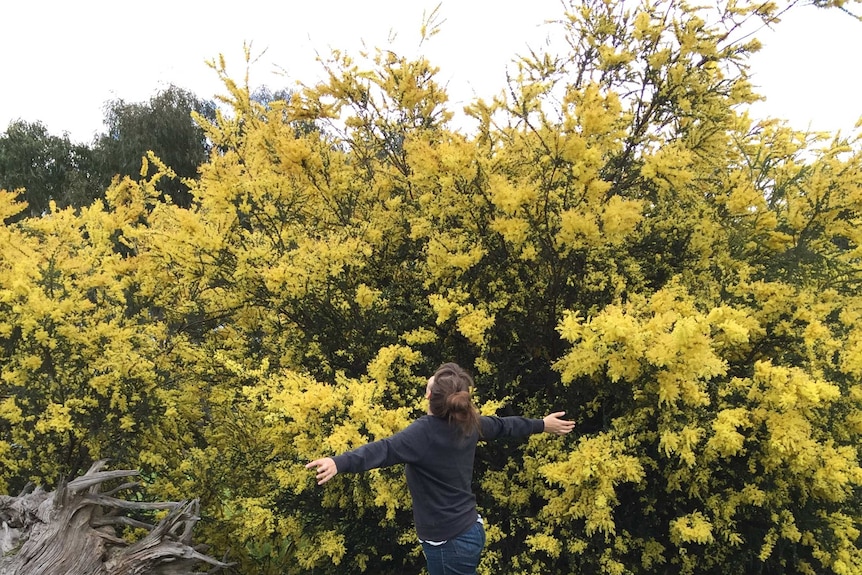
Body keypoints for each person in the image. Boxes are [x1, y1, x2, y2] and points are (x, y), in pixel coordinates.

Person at [306, 362, 575, 575]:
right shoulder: (470, 422)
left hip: (449, 542)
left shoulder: (424, 432)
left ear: (429, 397)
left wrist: (338, 462)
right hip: (468, 530)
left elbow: (384, 450)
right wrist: (542, 424)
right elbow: (505, 426)